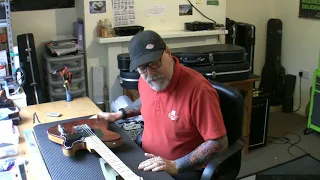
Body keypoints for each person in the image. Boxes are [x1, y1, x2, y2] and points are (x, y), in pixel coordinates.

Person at [96, 30, 228, 180]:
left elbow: (219, 142)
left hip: (182, 169)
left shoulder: (199, 90)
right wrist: (119, 114)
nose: (150, 74)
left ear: (168, 53)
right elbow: (146, 101)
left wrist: (176, 165)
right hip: (146, 158)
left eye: (154, 63)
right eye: (142, 68)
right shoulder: (145, 81)